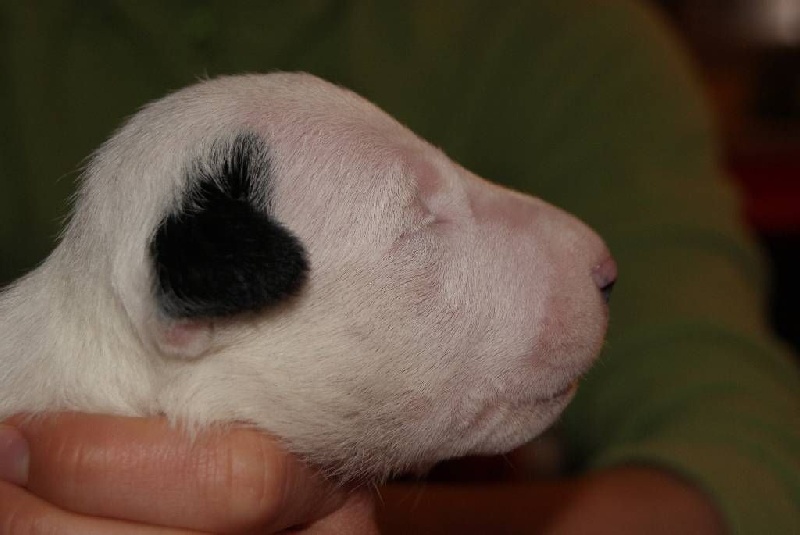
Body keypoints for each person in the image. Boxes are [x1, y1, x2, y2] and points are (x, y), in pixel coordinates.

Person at [0, 1, 797, 533]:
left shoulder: (566, 30)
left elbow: (746, 445)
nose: (587, 253)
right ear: (201, 307)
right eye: (418, 223)